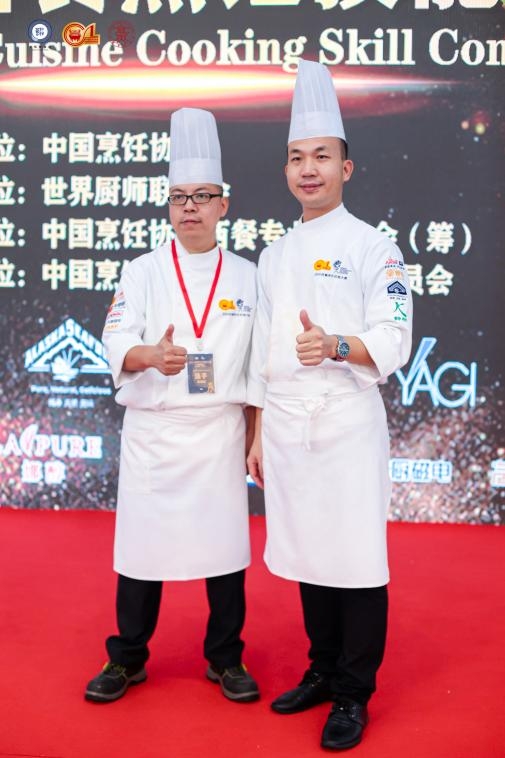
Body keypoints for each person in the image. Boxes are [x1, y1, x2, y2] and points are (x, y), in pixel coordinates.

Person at [247, 59, 412, 750]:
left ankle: (352, 691)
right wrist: (257, 430)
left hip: (345, 423)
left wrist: (337, 345)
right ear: (286, 170)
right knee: (308, 553)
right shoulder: (274, 254)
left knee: (354, 559)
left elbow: (395, 337)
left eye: (320, 157)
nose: (307, 169)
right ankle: (320, 669)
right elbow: (261, 350)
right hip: (286, 423)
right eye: (296, 158)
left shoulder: (375, 246)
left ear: (346, 168)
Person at [85, 107, 259, 705]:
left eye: (202, 196)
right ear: (168, 206)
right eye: (180, 197)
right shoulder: (141, 272)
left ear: (222, 205)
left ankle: (226, 658)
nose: (191, 207)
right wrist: (147, 356)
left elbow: (258, 365)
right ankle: (126, 658)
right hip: (155, 434)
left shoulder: (248, 276)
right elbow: (114, 337)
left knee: (226, 553)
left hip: (218, 432)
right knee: (141, 551)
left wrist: (255, 435)